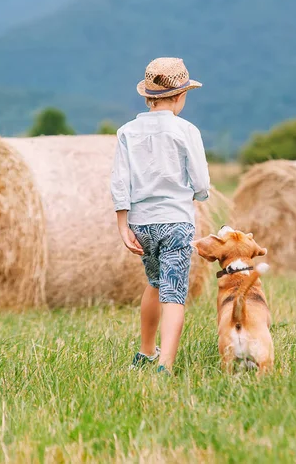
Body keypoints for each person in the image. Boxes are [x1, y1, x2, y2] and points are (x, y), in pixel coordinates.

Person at [110, 57, 210, 375]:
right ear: (180, 96)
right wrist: (198, 194)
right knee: (174, 291)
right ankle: (165, 365)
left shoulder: (126, 132)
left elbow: (119, 180)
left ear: (147, 96)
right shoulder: (186, 130)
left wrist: (122, 224)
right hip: (176, 220)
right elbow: (201, 181)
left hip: (141, 222)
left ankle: (145, 352)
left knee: (154, 283)